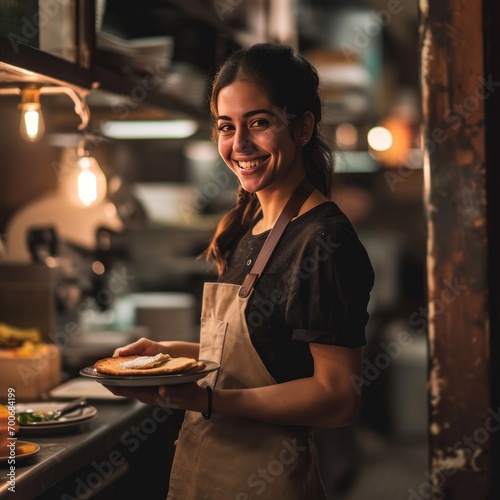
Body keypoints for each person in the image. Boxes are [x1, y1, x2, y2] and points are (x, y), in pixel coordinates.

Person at [106, 43, 375, 499]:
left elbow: (337, 395)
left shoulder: (323, 240)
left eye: (259, 122)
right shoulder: (252, 223)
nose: (239, 145)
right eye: (226, 127)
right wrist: (165, 357)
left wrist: (209, 399)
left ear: (303, 127)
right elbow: (265, 353)